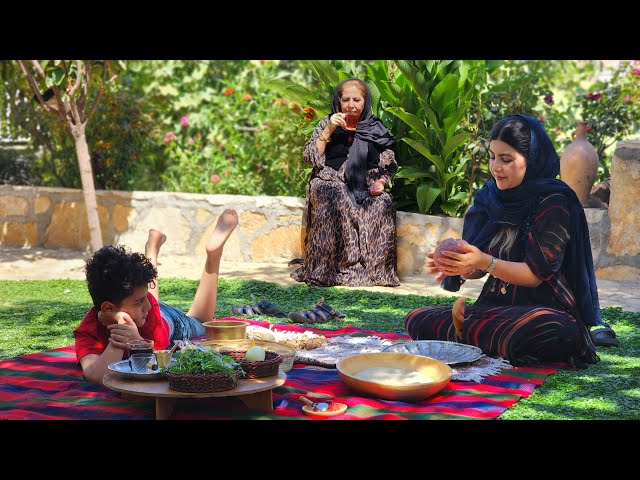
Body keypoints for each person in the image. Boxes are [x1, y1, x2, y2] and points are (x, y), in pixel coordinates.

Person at [404, 114, 618, 368]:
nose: (496, 167)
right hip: (496, 309)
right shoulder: (491, 199)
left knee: (550, 329)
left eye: (506, 159)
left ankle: (469, 330)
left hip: (545, 310)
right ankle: (475, 330)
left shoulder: (554, 202)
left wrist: (484, 261)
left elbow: (533, 275)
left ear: (532, 160)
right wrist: (459, 266)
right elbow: (477, 269)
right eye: (492, 157)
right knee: (416, 318)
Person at [73, 209, 238, 384]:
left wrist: (136, 339)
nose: (148, 306)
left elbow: (159, 363)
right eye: (139, 302)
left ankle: (213, 255)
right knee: (148, 297)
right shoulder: (88, 330)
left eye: (143, 300)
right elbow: (96, 375)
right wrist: (120, 339)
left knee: (201, 321)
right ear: (107, 309)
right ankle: (152, 249)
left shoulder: (147, 310)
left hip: (172, 323)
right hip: (150, 313)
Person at [290, 77, 400, 287]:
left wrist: (382, 182)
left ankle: (376, 272)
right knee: (333, 194)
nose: (351, 105)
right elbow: (310, 157)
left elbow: (390, 161)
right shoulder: (328, 122)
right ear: (338, 102)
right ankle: (325, 270)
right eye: (346, 100)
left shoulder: (375, 127)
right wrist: (329, 130)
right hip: (330, 179)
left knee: (383, 202)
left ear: (365, 102)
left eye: (356, 100)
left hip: (365, 184)